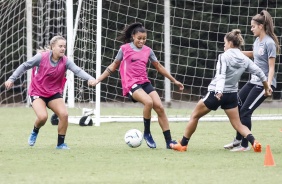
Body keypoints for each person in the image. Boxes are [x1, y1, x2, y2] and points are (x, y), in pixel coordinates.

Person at [169, 29, 272, 152]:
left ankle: (183, 144)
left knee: (194, 116)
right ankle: (254, 142)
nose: (224, 45)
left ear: (230, 43)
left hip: (216, 93)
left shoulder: (223, 56)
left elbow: (221, 76)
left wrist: (218, 91)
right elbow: (260, 72)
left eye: (225, 42)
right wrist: (266, 87)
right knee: (238, 124)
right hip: (232, 95)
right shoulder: (244, 59)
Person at [93, 22, 184, 149]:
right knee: (148, 102)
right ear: (133, 37)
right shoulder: (124, 49)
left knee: (160, 108)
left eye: (144, 39)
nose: (142, 41)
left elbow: (159, 66)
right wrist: (98, 80)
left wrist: (174, 80)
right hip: (131, 84)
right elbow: (113, 66)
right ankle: (147, 133)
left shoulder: (148, 51)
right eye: (139, 38)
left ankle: (169, 142)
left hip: (144, 82)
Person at [5, 35, 97, 149]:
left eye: (64, 46)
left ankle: (60, 144)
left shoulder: (65, 61)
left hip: (54, 93)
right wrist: (11, 79)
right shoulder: (41, 57)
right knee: (43, 117)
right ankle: (35, 131)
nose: (63, 48)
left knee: (64, 114)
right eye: (60, 46)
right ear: (53, 47)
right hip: (37, 92)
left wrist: (90, 78)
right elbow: (25, 66)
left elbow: (78, 70)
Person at [224, 10, 279, 151]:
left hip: (264, 84)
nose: (251, 29)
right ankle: (237, 140)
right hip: (253, 81)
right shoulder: (257, 41)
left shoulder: (269, 43)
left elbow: (271, 67)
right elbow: (252, 54)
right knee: (236, 105)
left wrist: (269, 86)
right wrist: (233, 52)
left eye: (253, 26)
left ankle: (244, 145)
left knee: (246, 112)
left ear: (261, 26)